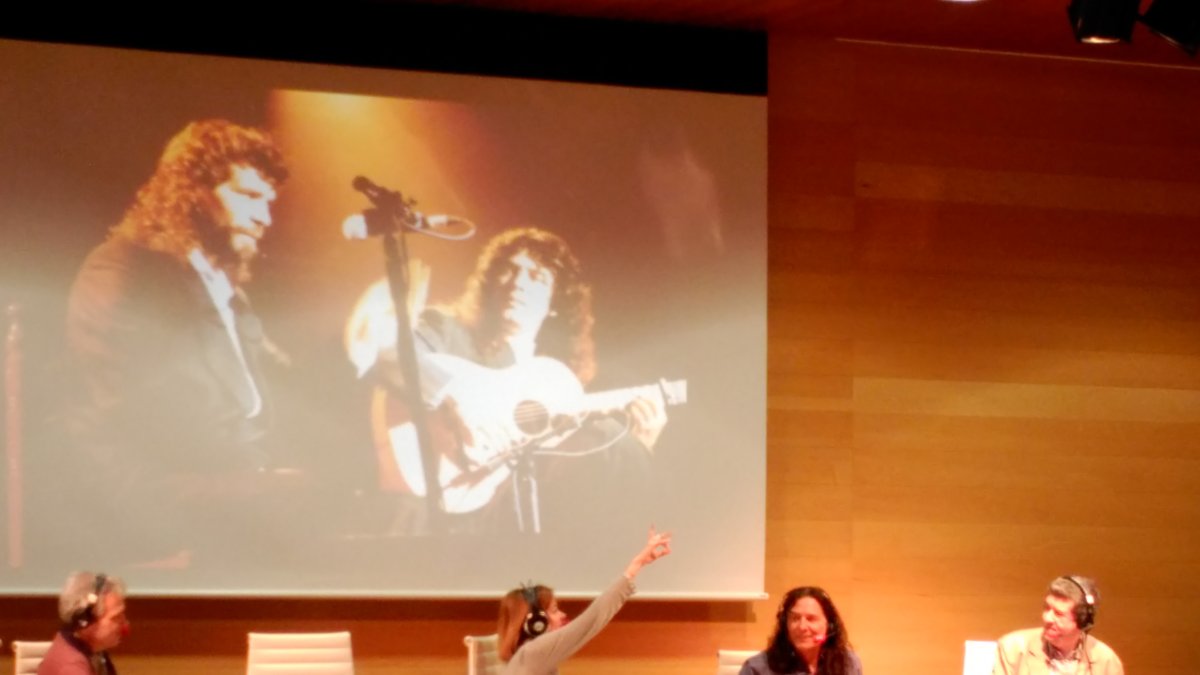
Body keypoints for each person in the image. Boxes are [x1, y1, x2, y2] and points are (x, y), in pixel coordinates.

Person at [63, 119, 291, 563]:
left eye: (269, 202)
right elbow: (130, 417)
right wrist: (242, 487)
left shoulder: (227, 290)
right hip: (164, 518)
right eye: (247, 196)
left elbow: (273, 391)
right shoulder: (123, 271)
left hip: (239, 502)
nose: (265, 217)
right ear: (192, 192)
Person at [347, 227, 673, 532]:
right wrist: (451, 399)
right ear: (488, 282)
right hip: (428, 512)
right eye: (509, 270)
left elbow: (560, 467)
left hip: (509, 520)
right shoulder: (446, 329)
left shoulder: (553, 380)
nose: (518, 283)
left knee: (613, 438)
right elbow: (388, 355)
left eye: (535, 276)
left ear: (555, 301)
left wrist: (638, 444)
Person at [495, 526, 671, 675]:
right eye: (554, 610)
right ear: (536, 622)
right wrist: (635, 566)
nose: (562, 615)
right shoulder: (534, 652)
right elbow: (591, 620)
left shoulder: (528, 654)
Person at [993, 575, 1123, 675]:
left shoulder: (1106, 661)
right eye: (1047, 608)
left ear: (1082, 619)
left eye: (1059, 613)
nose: (1047, 618)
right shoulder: (1013, 648)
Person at [740, 586, 862, 675]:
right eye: (795, 618)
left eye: (811, 619)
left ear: (829, 625)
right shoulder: (757, 668)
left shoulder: (848, 663)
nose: (802, 627)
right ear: (784, 624)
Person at [38, 572, 128, 675]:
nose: (125, 624)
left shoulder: (92, 651)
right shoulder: (72, 668)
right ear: (85, 622)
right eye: (116, 618)